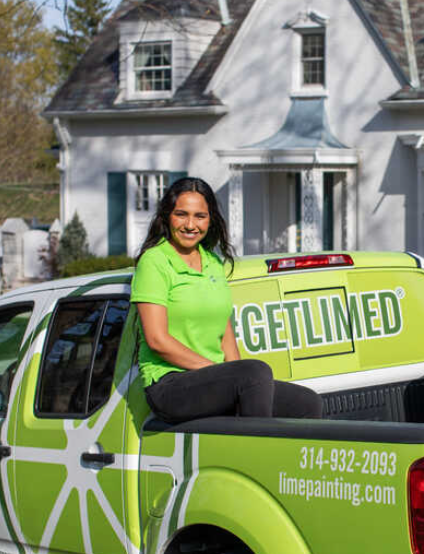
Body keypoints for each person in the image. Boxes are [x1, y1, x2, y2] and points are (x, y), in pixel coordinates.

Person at [131, 177, 322, 423]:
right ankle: (250, 460)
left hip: (211, 376)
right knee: (254, 373)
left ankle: (282, 460)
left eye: (200, 216)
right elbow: (157, 340)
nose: (190, 224)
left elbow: (225, 330)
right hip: (170, 384)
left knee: (307, 402)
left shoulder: (212, 262)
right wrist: (221, 373)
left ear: (210, 220)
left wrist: (233, 373)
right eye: (181, 215)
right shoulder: (154, 261)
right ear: (167, 216)